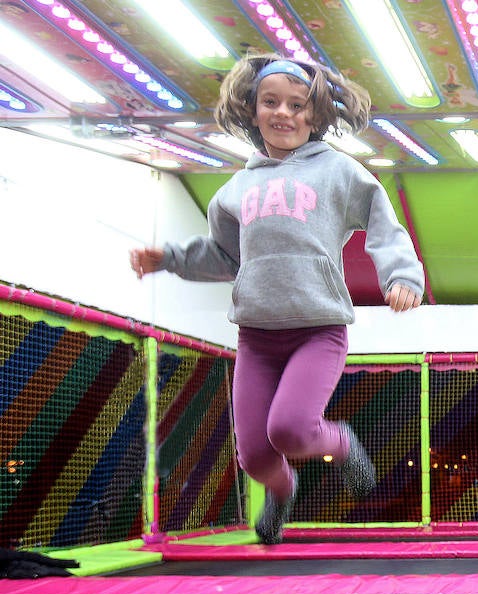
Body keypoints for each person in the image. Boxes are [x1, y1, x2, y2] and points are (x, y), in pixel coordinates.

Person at [128, 54, 424, 544]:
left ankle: (342, 443)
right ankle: (282, 491)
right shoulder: (236, 188)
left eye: (297, 104)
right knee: (255, 456)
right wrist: (169, 259)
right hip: (257, 337)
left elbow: (381, 221)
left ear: (316, 114)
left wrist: (402, 276)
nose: (283, 113)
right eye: (271, 102)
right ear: (252, 109)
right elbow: (224, 256)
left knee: (288, 428)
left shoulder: (337, 172)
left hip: (317, 328)